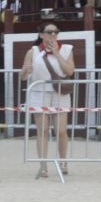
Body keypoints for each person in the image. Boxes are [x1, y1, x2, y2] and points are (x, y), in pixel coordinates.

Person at [21, 23, 75, 178]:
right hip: (39, 93)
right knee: (42, 131)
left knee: (61, 131)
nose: (53, 35)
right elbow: (23, 76)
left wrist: (57, 53)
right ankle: (43, 165)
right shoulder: (33, 52)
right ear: (41, 35)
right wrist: (26, 70)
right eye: (49, 32)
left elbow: (70, 71)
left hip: (60, 94)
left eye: (56, 32)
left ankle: (63, 161)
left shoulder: (67, 49)